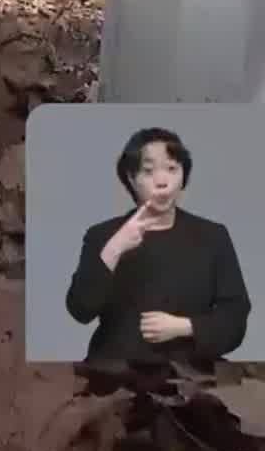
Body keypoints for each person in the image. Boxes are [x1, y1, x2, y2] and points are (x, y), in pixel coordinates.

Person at [64, 127, 251, 363]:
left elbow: (235, 317)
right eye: (148, 171)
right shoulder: (103, 235)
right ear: (131, 179)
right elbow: (80, 310)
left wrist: (184, 326)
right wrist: (115, 248)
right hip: (116, 375)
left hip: (190, 378)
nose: (162, 182)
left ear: (183, 176)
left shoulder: (213, 236)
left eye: (172, 169)